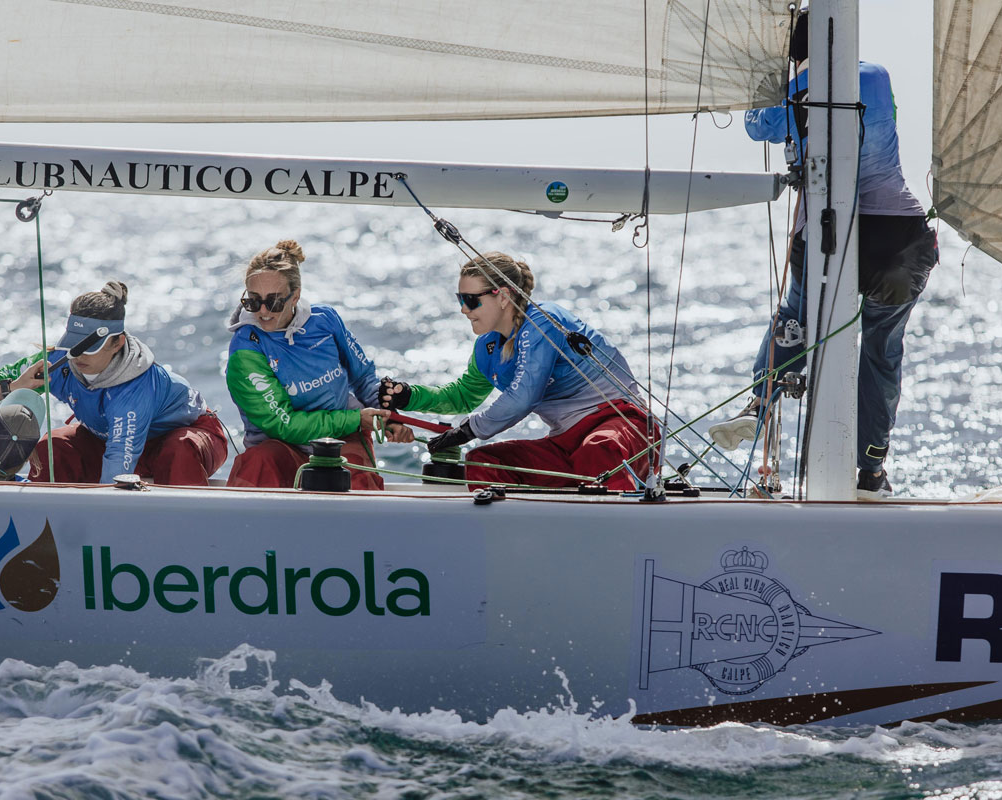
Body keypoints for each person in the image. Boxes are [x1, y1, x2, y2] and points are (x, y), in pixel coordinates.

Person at [708, 9, 937, 499]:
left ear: (792, 48)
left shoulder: (795, 90)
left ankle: (759, 405)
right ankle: (871, 473)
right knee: (882, 351)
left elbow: (757, 127)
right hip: (903, 237)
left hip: (834, 230)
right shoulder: (878, 74)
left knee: (794, 318)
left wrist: (770, 77)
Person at [379, 252, 655, 491]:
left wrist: (469, 429)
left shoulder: (544, 321)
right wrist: (409, 397)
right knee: (484, 463)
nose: (463, 309)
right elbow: (462, 397)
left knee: (597, 449)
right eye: (459, 299)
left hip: (623, 427)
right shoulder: (486, 349)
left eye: (471, 300)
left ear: (504, 296)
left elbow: (525, 396)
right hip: (568, 442)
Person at [225, 239, 409, 489]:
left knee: (356, 478)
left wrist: (390, 417)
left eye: (275, 301)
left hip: (341, 439)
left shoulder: (326, 320)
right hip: (281, 445)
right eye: (253, 301)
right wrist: (357, 419)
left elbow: (364, 379)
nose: (263, 311)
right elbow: (285, 425)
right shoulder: (246, 349)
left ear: (295, 296)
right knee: (258, 462)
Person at [7, 281, 228, 485]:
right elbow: (7, 378)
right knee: (52, 446)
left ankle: (184, 524)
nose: (78, 355)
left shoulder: (134, 386)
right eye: (75, 343)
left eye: (90, 347)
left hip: (185, 437)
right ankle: (48, 522)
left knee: (177, 450)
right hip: (113, 438)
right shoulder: (59, 363)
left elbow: (119, 461)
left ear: (117, 343)